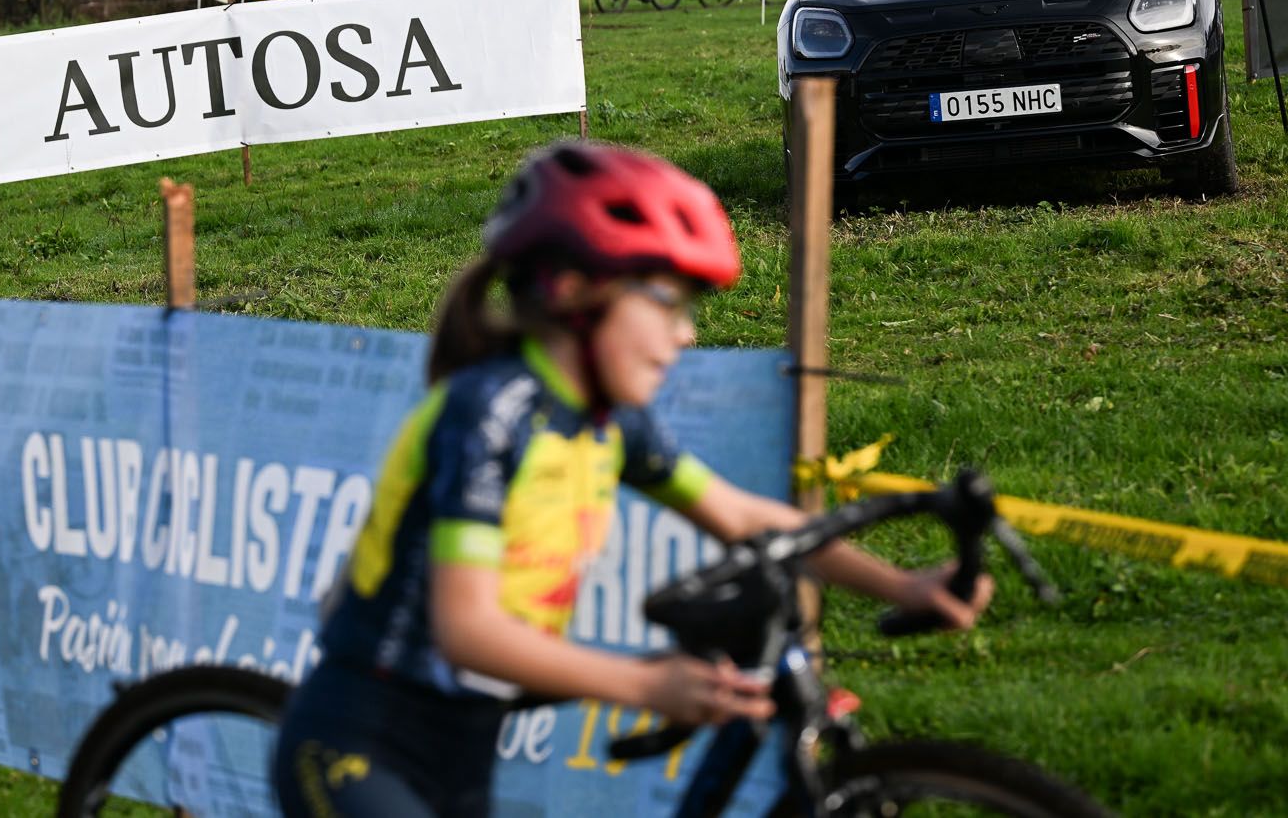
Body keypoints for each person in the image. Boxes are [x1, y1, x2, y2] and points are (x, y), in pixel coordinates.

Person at [272, 143, 993, 818]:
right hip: (359, 738)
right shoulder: (490, 411)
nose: (687, 335)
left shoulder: (604, 419)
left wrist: (903, 584)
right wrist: (645, 685)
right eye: (667, 302)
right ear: (573, 291)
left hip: (461, 737)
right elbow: (468, 631)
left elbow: (743, 517)